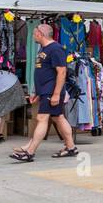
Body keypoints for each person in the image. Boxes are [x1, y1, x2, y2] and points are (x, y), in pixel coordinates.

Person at [11, 23, 77, 162]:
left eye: (35, 33)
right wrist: (36, 91)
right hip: (45, 91)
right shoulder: (43, 49)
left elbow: (62, 72)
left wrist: (56, 94)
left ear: (41, 34)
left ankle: (30, 152)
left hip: (51, 91)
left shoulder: (56, 49)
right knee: (58, 117)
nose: (34, 36)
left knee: (42, 119)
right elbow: (42, 72)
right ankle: (70, 147)